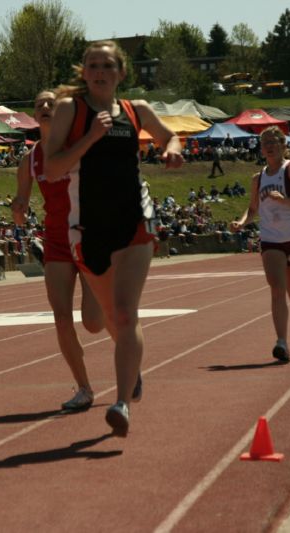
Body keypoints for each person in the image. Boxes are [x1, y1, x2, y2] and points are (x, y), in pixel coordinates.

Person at [44, 40, 184, 436]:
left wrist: (171, 150)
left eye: (107, 65)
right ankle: (131, 364)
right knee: (108, 318)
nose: (100, 71)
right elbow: (53, 169)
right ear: (83, 73)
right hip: (88, 229)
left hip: (134, 221)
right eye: (93, 65)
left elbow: (168, 137)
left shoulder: (135, 110)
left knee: (124, 313)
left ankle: (122, 402)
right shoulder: (71, 110)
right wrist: (88, 138)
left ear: (121, 72)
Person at [13, 90, 140, 413]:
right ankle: (84, 388)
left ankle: (128, 360)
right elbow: (22, 200)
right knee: (60, 317)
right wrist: (19, 207)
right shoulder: (29, 160)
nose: (43, 107)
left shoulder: (78, 146)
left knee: (95, 320)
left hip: (88, 234)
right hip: (56, 239)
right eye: (38, 104)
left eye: (50, 104)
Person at [230, 126, 290, 363]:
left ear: (282, 145)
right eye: (264, 143)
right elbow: (252, 210)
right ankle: (282, 342)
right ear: (261, 149)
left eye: (273, 142)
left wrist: (287, 201)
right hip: (271, 240)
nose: (269, 146)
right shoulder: (257, 178)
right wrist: (240, 222)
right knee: (277, 290)